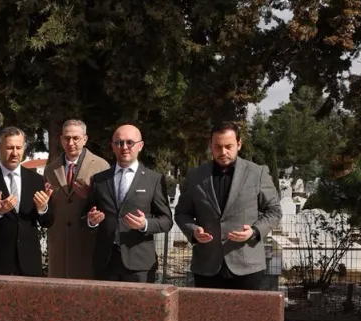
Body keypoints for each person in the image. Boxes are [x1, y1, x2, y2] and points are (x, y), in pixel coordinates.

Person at [174, 122, 282, 290]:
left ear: (239, 144)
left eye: (228, 146)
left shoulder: (257, 173)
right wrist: (193, 231)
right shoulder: (195, 176)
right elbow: (182, 213)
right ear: (210, 145)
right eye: (218, 147)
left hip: (247, 266)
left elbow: (274, 211)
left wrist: (254, 231)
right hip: (207, 266)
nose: (223, 152)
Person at [85, 124, 173, 282]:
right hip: (105, 262)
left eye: (130, 142)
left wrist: (145, 224)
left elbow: (166, 221)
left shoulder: (154, 180)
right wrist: (91, 221)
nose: (124, 147)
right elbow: (86, 214)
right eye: (119, 143)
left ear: (140, 145)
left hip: (139, 263)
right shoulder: (99, 180)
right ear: (113, 146)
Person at [0, 126, 55, 276]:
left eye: (18, 148)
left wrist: (42, 209)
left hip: (29, 262)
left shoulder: (36, 180)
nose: (14, 153)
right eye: (9, 148)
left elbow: (48, 222)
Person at [43, 119, 108, 279]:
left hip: (87, 245)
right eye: (67, 138)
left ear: (85, 139)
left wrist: (90, 195)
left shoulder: (101, 166)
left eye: (76, 138)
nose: (71, 143)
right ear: (61, 139)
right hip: (59, 247)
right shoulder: (50, 169)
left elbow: (107, 205)